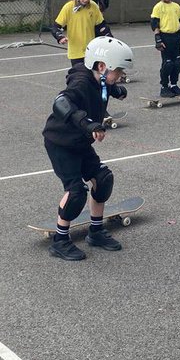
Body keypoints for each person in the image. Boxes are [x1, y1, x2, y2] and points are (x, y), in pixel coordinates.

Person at [42, 36, 133, 261]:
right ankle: (60, 241)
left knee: (103, 178)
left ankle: (96, 231)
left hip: (80, 142)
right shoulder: (81, 82)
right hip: (61, 143)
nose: (120, 75)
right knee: (76, 192)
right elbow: (61, 102)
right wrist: (88, 123)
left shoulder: (100, 79)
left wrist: (115, 90)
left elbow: (101, 88)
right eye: (118, 71)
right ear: (101, 66)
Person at [51, 0, 111, 64]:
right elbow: (55, 27)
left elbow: (102, 26)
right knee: (80, 76)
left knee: (94, 77)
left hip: (92, 51)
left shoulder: (93, 6)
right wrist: (60, 37)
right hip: (76, 53)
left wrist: (109, 39)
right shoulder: (68, 7)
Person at [151, 0, 180, 97]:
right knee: (168, 64)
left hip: (176, 38)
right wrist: (158, 40)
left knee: (177, 62)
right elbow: (155, 24)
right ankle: (164, 87)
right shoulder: (158, 7)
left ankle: (174, 85)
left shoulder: (176, 6)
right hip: (165, 38)